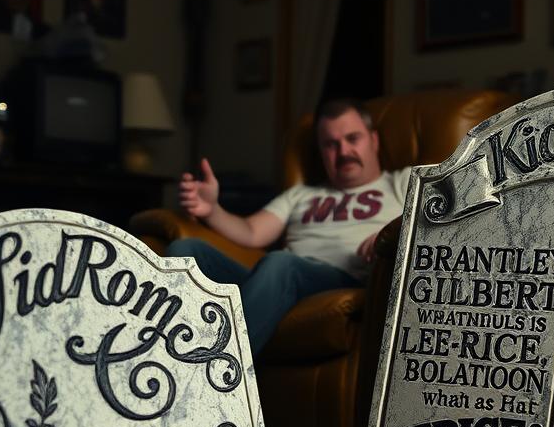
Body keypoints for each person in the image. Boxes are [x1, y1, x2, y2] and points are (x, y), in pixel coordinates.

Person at [167, 98, 410, 355]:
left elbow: (435, 223)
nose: (343, 151)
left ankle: (212, 372)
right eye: (331, 144)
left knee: (280, 263)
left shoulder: (401, 183)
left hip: (345, 279)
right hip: (277, 283)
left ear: (374, 140)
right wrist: (213, 210)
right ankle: (165, 353)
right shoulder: (300, 195)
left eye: (353, 138)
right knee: (185, 250)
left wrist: (390, 235)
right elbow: (251, 231)